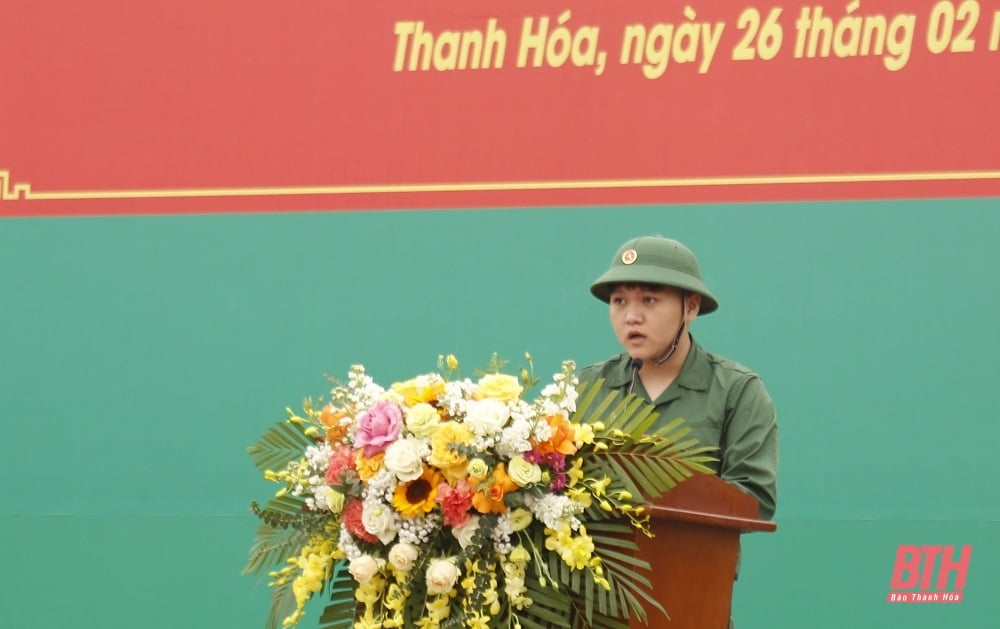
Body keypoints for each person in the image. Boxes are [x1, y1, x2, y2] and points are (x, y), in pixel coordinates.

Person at [579, 235, 778, 520]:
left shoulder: (737, 390)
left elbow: (755, 501)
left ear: (691, 307)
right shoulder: (587, 387)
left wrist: (660, 480)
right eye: (619, 301)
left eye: (649, 300)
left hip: (695, 562)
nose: (631, 317)